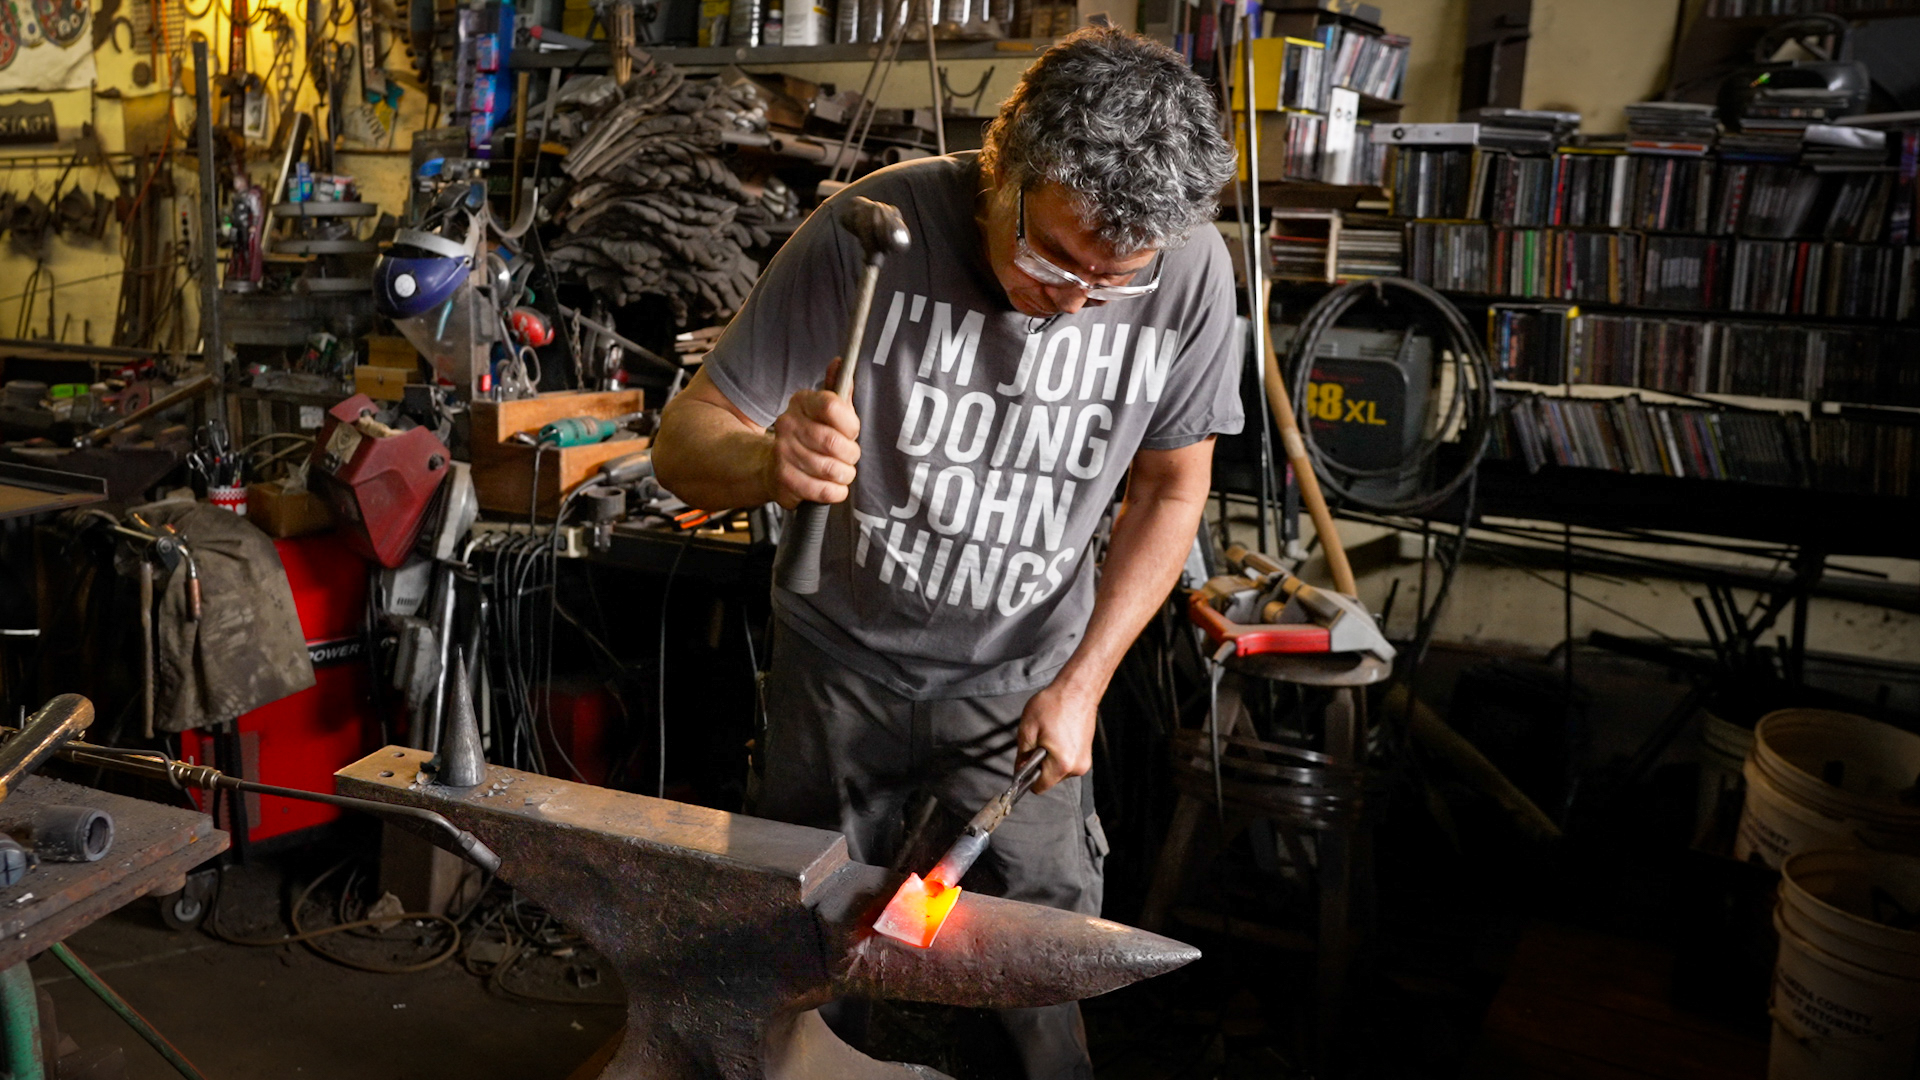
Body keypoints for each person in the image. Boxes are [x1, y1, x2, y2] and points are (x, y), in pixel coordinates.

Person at [653, 24, 1241, 1078]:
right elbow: (683, 442)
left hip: (1028, 691)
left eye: (1115, 283)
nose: (1073, 300)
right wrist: (765, 461)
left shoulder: (1194, 274)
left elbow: (1170, 485)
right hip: (839, 677)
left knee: (1043, 979)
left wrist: (1086, 680)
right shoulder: (869, 228)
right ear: (1001, 164)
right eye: (1054, 256)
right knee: (811, 971)